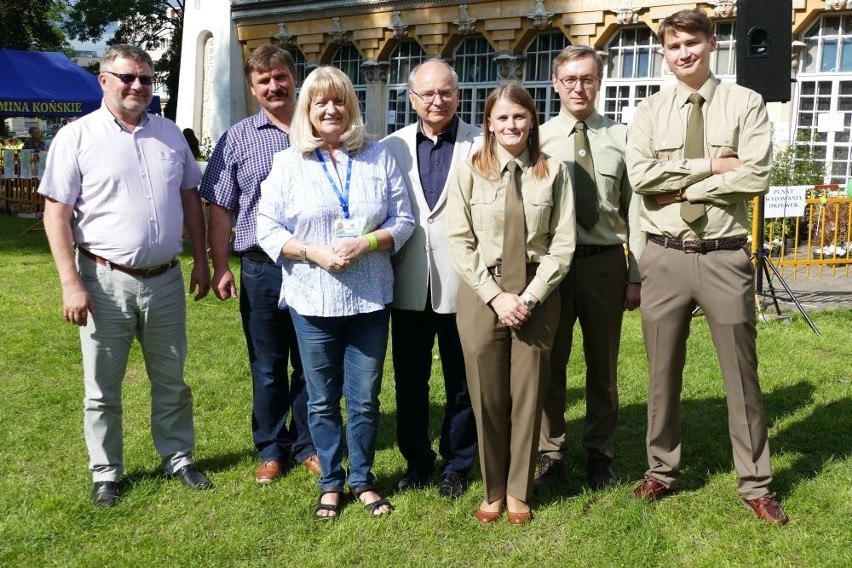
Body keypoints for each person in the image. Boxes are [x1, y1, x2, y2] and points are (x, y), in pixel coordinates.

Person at [625, 9, 788, 524]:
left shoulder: (747, 103)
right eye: (674, 47)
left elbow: (757, 174)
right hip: (666, 256)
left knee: (742, 376)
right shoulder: (649, 111)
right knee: (660, 373)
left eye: (692, 43)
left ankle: (756, 483)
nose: (684, 53)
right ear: (664, 53)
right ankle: (661, 470)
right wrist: (713, 167)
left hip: (724, 256)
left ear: (711, 44)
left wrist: (686, 187)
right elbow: (640, 176)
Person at [38, 44, 213, 508]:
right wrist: (69, 282)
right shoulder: (76, 137)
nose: (137, 86)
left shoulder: (171, 134)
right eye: (127, 77)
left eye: (146, 79)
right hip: (102, 280)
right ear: (104, 80)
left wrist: (202, 260)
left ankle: (178, 457)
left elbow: (191, 201)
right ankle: (106, 472)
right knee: (102, 386)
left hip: (167, 279)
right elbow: (56, 215)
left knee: (172, 377)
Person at [257, 66, 414, 520]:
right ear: (307, 110)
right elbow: (265, 227)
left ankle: (362, 479)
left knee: (364, 398)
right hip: (312, 298)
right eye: (320, 102)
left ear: (351, 107)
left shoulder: (377, 156)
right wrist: (311, 252)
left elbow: (403, 220)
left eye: (339, 100)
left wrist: (366, 242)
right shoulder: (289, 163)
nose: (331, 109)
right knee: (322, 399)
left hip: (368, 297)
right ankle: (330, 480)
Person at [446, 84, 576, 524]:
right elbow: (460, 241)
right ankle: (493, 488)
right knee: (485, 396)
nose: (511, 125)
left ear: (532, 121)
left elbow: (563, 244)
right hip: (485, 293)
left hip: (538, 294)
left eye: (519, 117)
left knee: (528, 395)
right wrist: (496, 296)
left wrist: (532, 295)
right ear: (489, 123)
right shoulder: (468, 171)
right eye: (502, 118)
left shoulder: (553, 171)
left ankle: (519, 490)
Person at [200, 45, 319, 484]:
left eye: (280, 77)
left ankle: (308, 443)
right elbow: (220, 208)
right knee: (267, 364)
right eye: (263, 81)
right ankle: (271, 447)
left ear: (294, 78)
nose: (274, 86)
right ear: (253, 90)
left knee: (311, 361)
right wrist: (220, 267)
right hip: (260, 267)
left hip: (314, 266)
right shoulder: (238, 137)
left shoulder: (320, 130)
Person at [535, 45, 645, 491]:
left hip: (605, 265)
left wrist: (634, 274)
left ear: (599, 83)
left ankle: (600, 454)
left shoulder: (622, 138)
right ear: (556, 84)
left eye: (588, 78)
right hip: (553, 270)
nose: (579, 87)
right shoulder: (536, 139)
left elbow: (635, 211)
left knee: (603, 367)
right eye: (570, 79)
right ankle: (552, 454)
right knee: (550, 365)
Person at [381, 59, 479, 499]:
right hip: (408, 283)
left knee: (462, 382)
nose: (436, 101)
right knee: (410, 380)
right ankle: (417, 461)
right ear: (412, 97)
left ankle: (457, 464)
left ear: (457, 95)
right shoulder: (391, 147)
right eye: (427, 94)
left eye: (445, 92)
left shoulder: (483, 143)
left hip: (466, 284)